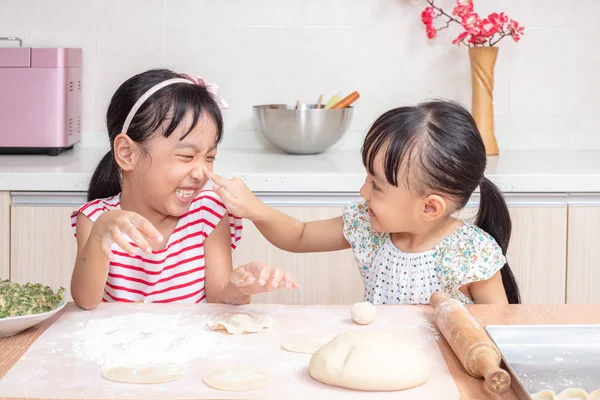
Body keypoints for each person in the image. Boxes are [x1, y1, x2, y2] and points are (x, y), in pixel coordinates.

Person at [205, 99, 520, 305]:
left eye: (377, 186)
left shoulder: (471, 255)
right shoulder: (368, 226)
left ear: (429, 207)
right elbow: (298, 236)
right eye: (367, 177)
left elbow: (498, 331)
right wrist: (253, 208)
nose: (362, 191)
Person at [70, 69, 298, 310]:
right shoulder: (96, 219)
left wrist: (242, 287)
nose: (201, 172)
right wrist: (100, 235)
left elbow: (219, 296)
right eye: (186, 156)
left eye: (209, 157)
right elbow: (86, 301)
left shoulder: (207, 213)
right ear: (128, 153)